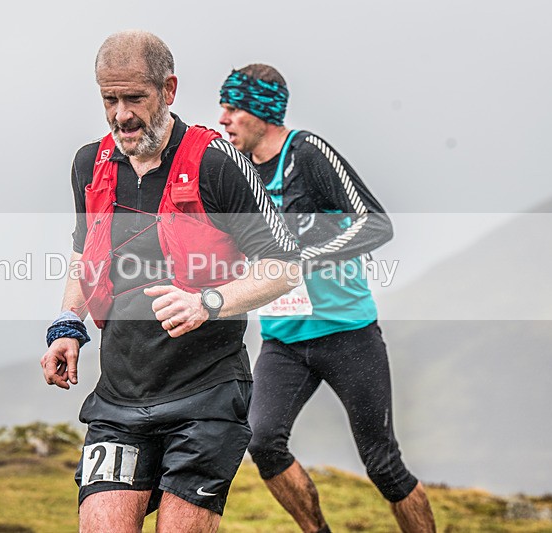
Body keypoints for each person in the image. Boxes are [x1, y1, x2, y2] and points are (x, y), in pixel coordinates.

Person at [40, 33, 303, 533]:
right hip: (118, 399)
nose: (121, 115)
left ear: (169, 89)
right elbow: (84, 251)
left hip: (206, 398)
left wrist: (210, 301)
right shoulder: (89, 165)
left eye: (134, 98)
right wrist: (67, 323)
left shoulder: (219, 163)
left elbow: (283, 266)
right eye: (109, 100)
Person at [218, 64, 437, 533]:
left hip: (348, 334)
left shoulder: (307, 153)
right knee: (262, 441)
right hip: (283, 341)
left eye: (233, 107)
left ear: (262, 111)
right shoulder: (237, 172)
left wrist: (301, 259)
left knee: (383, 465)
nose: (224, 118)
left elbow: (376, 223)